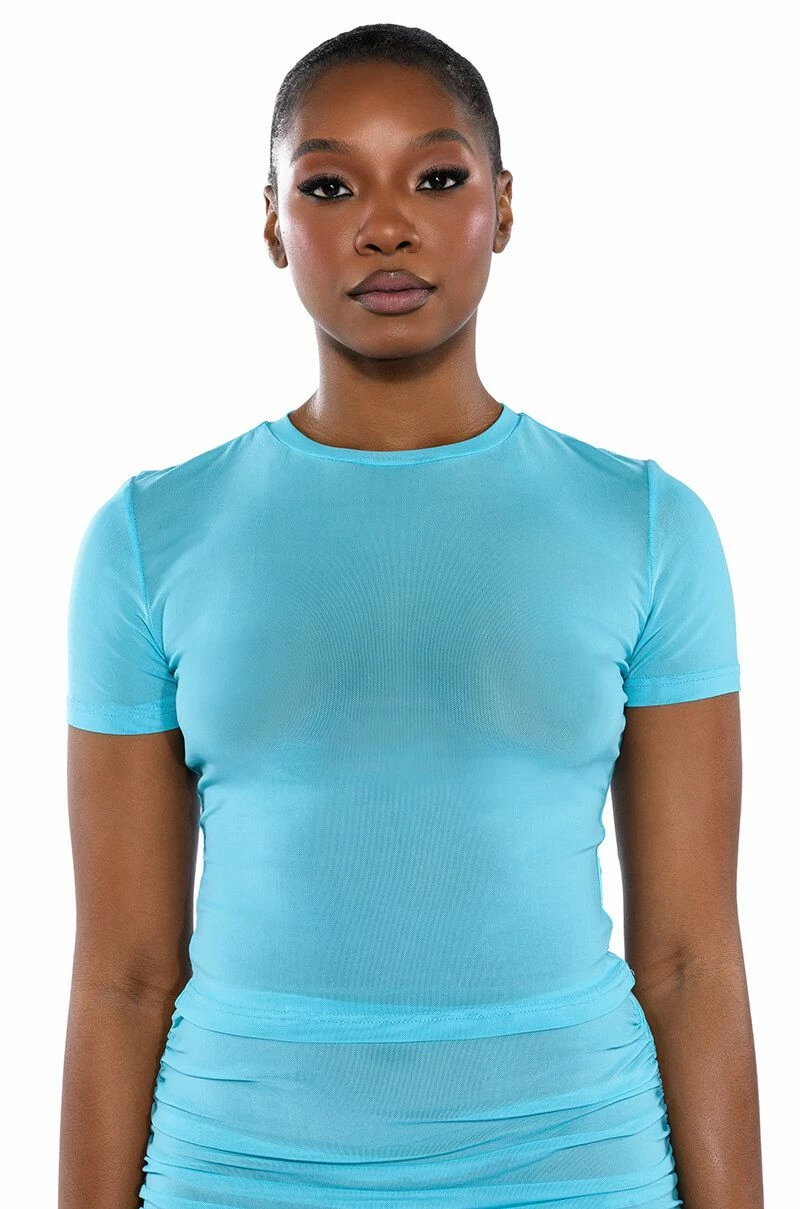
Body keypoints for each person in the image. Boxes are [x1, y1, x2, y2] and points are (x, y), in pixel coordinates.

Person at [59, 22, 762, 1209]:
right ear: (271, 223)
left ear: (502, 204)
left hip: (571, 1168)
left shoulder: (646, 525)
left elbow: (692, 960)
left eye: (435, 178)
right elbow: (120, 977)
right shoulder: (149, 535)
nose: (385, 226)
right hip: (238, 1172)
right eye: (329, 186)